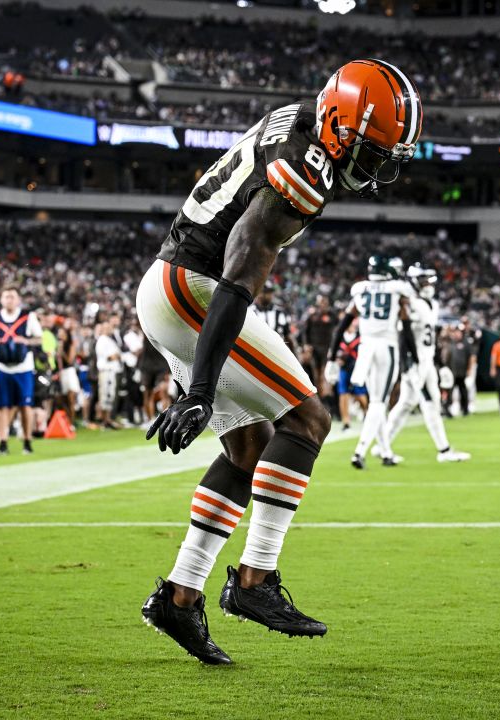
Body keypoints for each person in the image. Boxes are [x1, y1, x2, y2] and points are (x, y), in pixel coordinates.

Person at [137, 59, 423, 665]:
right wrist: (202, 388)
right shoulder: (305, 168)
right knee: (309, 421)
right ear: (344, 126)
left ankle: (180, 597)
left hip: (169, 285)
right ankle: (255, 581)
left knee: (249, 450)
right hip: (195, 289)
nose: (373, 170)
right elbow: (240, 275)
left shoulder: (302, 120)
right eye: (371, 153)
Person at [328, 255, 416, 469]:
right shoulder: (398, 290)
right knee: (378, 402)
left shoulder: (360, 290)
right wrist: (415, 357)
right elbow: (406, 327)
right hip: (386, 347)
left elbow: (342, 325)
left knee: (377, 401)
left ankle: (386, 452)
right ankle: (360, 451)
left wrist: (331, 356)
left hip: (365, 349)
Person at [385, 264, 470, 463]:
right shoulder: (409, 303)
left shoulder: (431, 303)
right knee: (412, 402)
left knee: (429, 403)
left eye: (430, 280)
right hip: (415, 361)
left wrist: (442, 364)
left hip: (427, 360)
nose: (429, 285)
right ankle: (383, 445)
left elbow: (431, 339)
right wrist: (409, 363)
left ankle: (444, 449)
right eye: (424, 281)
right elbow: (403, 335)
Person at [0, 287, 42, 455]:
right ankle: (2, 442)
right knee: (1, 406)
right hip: (2, 367)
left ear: (18, 300)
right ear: (1, 299)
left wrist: (24, 341)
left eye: (12, 296)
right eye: (6, 296)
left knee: (25, 405)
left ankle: (27, 440)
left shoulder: (28, 317)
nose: (9, 300)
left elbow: (39, 339)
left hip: (23, 367)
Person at [333, 321, 367, 431]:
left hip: (356, 369)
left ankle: (366, 413)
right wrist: (337, 359)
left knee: (359, 394)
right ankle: (346, 421)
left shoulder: (360, 336)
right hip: (343, 370)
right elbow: (334, 351)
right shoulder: (339, 337)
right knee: (343, 394)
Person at [95, 314, 125, 429]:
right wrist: (116, 356)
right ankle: (104, 421)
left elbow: (117, 355)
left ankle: (108, 420)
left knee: (109, 397)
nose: (109, 329)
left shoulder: (109, 340)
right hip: (106, 371)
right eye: (106, 328)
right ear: (102, 329)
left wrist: (117, 356)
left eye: (110, 328)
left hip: (111, 372)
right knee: (105, 397)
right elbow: (110, 357)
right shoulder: (102, 340)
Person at [250, 282, 294, 351]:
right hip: (256, 351)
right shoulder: (251, 312)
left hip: (276, 352)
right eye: (268, 293)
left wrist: (294, 353)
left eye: (271, 293)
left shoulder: (279, 312)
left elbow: (287, 335)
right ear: (260, 293)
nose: (270, 295)